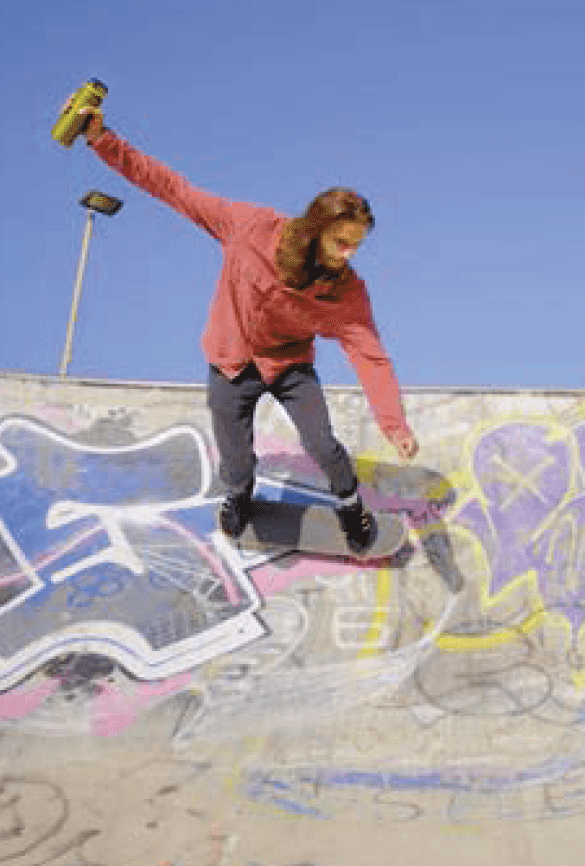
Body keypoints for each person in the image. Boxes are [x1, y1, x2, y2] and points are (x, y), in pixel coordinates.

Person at [79, 104, 417, 550]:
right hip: (231, 361)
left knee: (322, 445)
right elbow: (172, 189)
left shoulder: (347, 293)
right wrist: (102, 139)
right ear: (316, 228)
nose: (348, 254)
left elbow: (371, 358)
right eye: (341, 242)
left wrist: (394, 425)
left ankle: (351, 505)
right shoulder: (250, 228)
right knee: (235, 457)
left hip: (290, 366)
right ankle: (238, 495)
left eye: (356, 246)